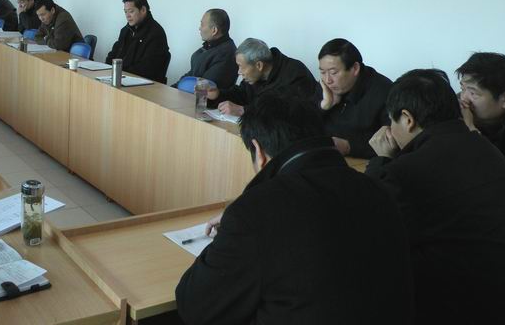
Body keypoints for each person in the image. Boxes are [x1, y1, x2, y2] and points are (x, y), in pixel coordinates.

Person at [175, 93, 413, 325]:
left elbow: (194, 307)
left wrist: (234, 223)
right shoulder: (376, 189)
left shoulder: (255, 214)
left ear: (259, 151)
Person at [366, 69, 505, 325]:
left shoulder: (404, 171)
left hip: (463, 305)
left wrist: (381, 161)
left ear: (407, 119)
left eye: (392, 121)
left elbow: (369, 217)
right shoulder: (486, 147)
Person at [316, 38, 392, 158]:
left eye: (333, 72)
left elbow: (392, 142)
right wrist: (323, 106)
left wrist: (349, 147)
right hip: (326, 158)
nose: (328, 80)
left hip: (364, 162)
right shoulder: (325, 86)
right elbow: (302, 129)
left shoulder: (384, 91)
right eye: (323, 72)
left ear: (355, 68)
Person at [206, 37, 316, 117]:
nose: (239, 72)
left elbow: (287, 113)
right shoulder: (255, 76)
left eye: (241, 66)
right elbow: (241, 94)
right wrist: (218, 95)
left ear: (259, 65)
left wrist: (243, 110)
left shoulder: (294, 73)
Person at [456, 52, 505, 165]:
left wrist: (470, 130)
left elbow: (497, 172)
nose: (463, 98)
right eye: (462, 88)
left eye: (473, 93)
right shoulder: (457, 104)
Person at [105, 0, 171, 84]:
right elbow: (113, 55)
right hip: (122, 79)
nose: (127, 15)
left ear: (143, 10)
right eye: (125, 12)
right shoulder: (125, 30)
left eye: (131, 11)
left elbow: (146, 69)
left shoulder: (156, 33)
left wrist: (120, 73)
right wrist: (108, 70)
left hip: (144, 85)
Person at [172, 9, 238, 91]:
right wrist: (172, 88)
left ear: (214, 30)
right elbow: (192, 74)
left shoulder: (226, 54)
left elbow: (204, 89)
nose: (199, 28)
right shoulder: (210, 46)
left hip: (200, 98)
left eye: (202, 24)